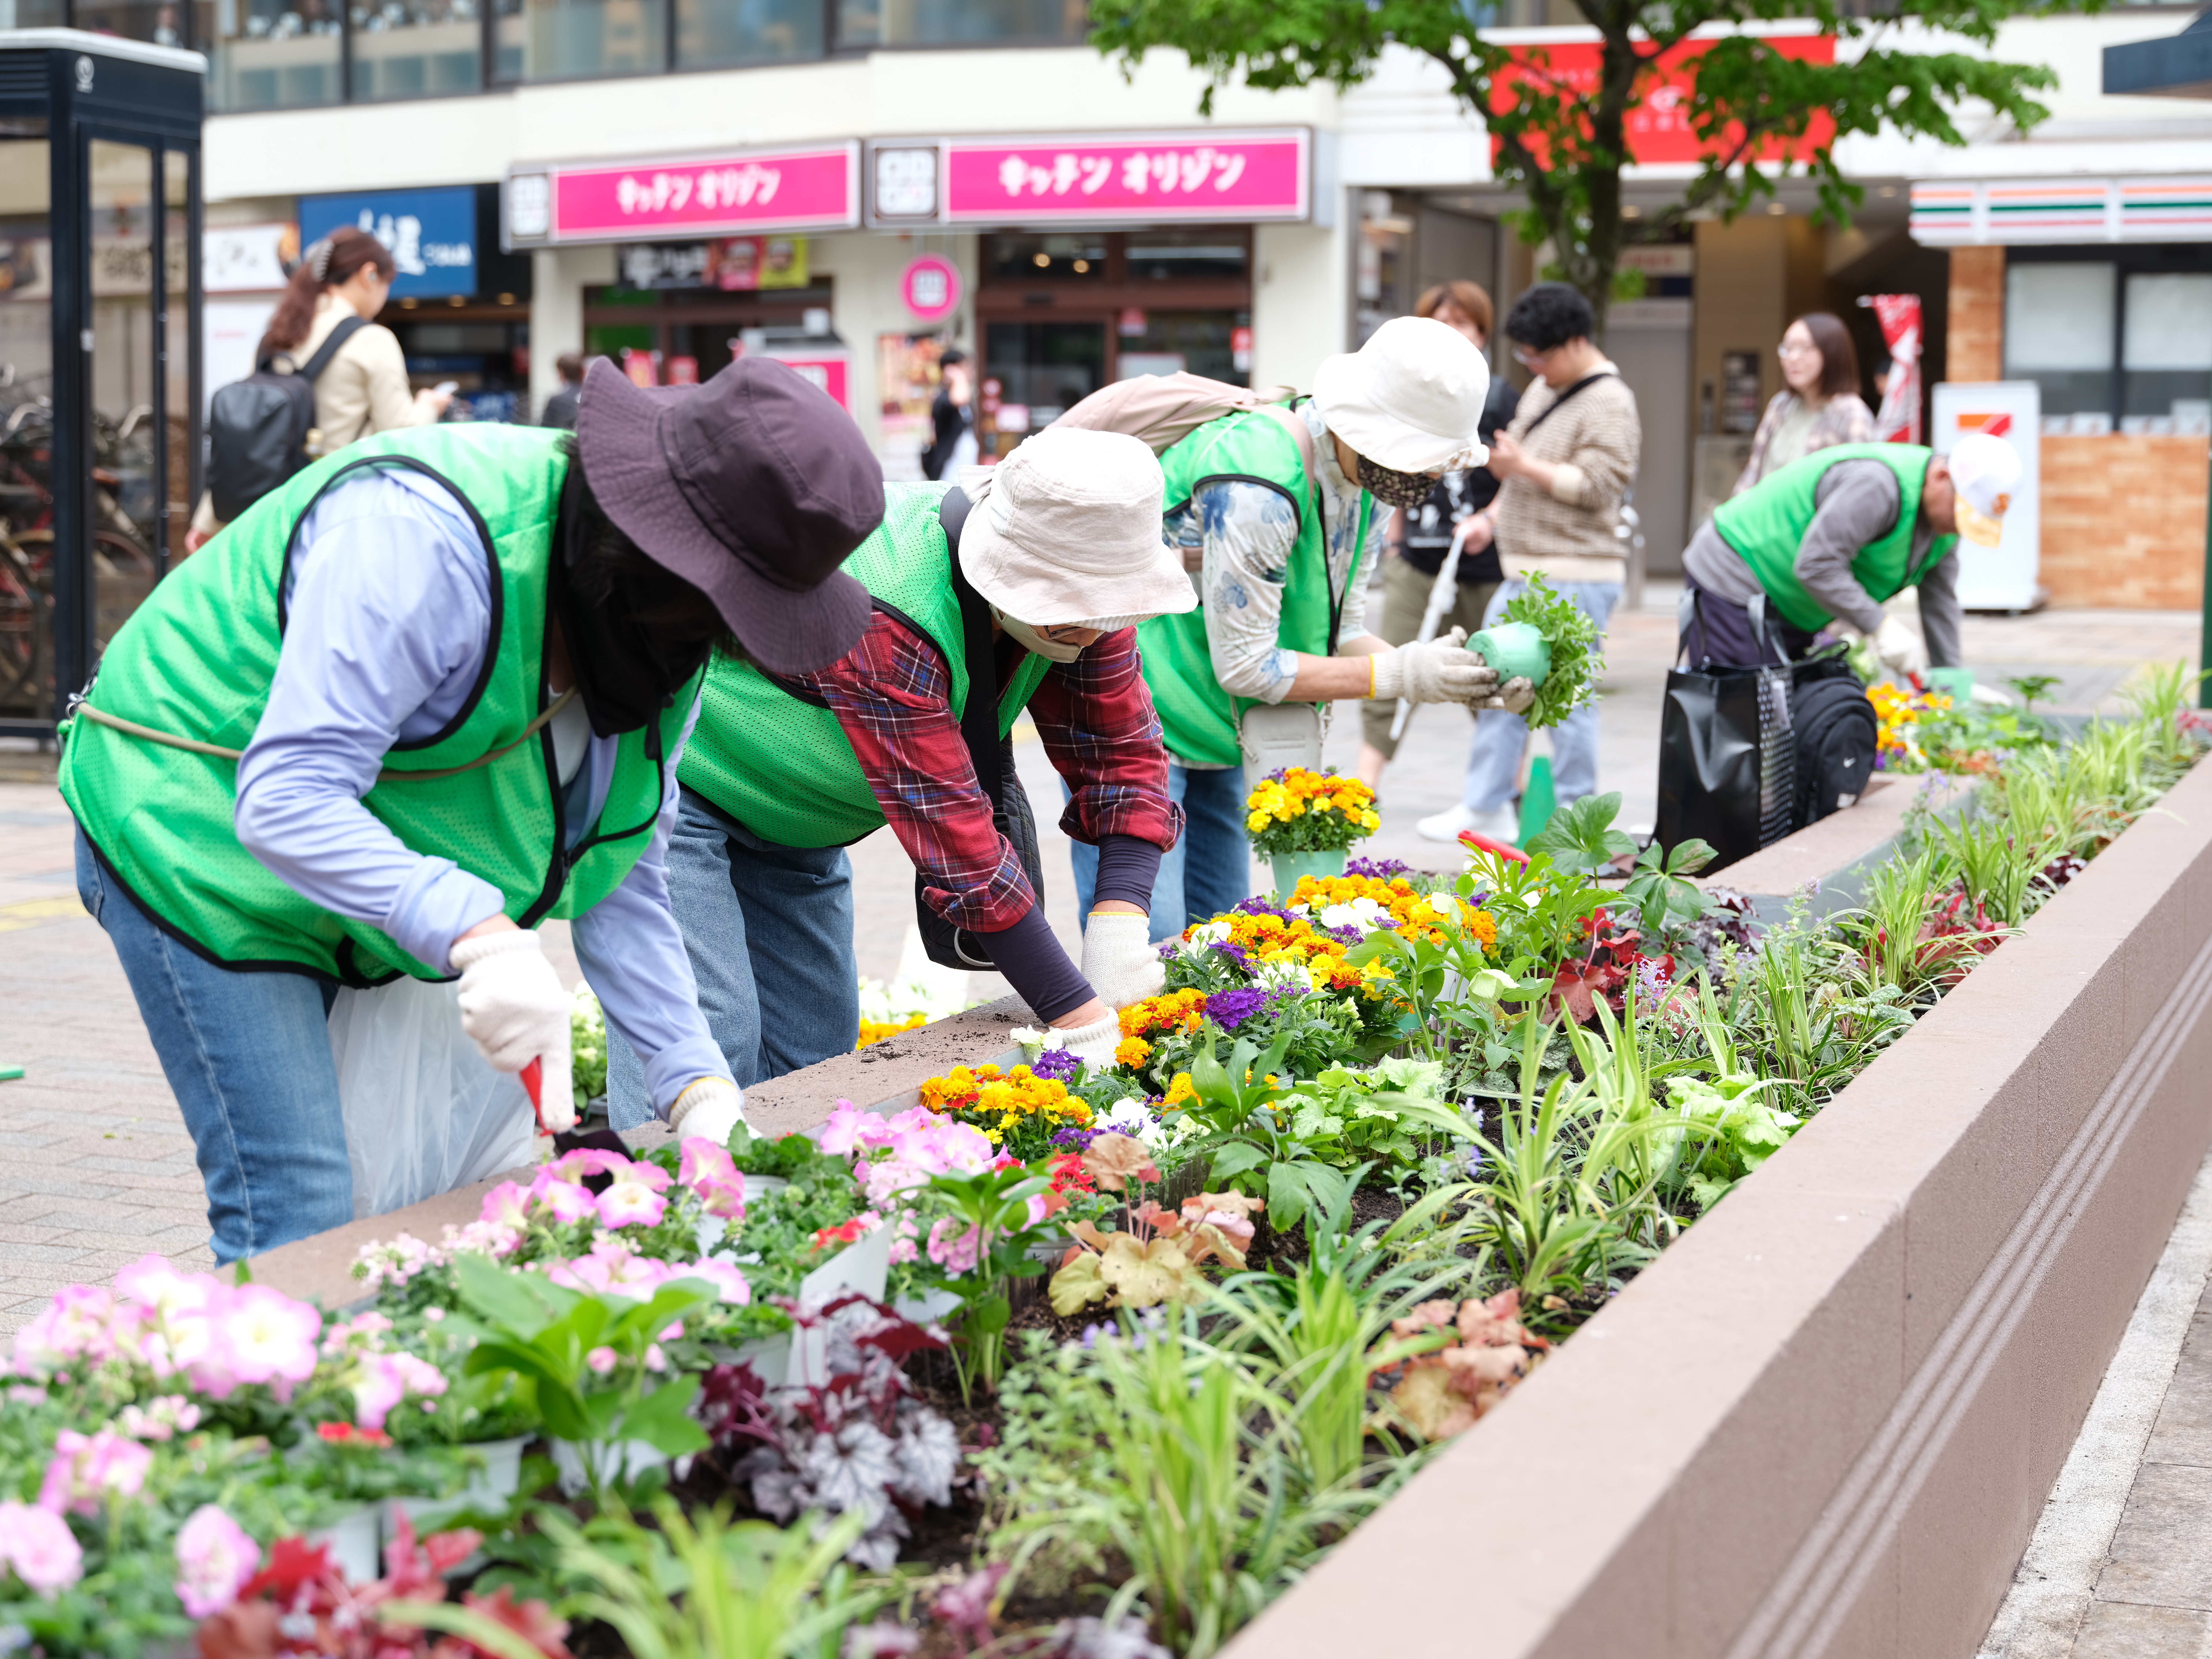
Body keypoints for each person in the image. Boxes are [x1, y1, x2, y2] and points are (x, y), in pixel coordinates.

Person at [60, 357, 884, 1263]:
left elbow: (622, 872)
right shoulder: (421, 544)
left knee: (435, 1199)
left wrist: (696, 1085)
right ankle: (272, 1399)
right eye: (732, 607)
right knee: (300, 1210)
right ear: (661, 553)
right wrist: (480, 935)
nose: (728, 635)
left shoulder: (656, 640)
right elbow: (286, 799)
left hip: (353, 842)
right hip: (190, 828)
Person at [606, 426, 1194, 1100]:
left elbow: (1122, 760)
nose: (1088, 628)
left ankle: (773, 1203)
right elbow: (960, 848)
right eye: (1067, 610)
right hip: (681, 784)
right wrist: (1080, 1020)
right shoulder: (889, 599)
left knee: (816, 1054)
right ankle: (660, 1200)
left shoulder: (1095, 592)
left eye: (1102, 610)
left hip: (801, 823)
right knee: (707, 1042)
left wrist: (1118, 932)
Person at [1079, 315, 1533, 938]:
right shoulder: (1259, 481)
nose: (1431, 479)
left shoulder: (1364, 478)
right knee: (1144, 952)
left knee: (1223, 951)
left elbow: (1341, 629)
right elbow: (1246, 664)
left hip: (1219, 727)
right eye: (1423, 459)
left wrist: (1453, 676)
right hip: (1137, 722)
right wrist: (1401, 674)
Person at [1418, 282, 1642, 844]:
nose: (1531, 365)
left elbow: (1600, 486)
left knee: (1565, 699)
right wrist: (1489, 520)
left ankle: (1577, 819)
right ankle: (1487, 803)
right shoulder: (1547, 386)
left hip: (1577, 571)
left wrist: (1526, 467)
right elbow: (1516, 469)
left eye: (1538, 354)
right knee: (1496, 679)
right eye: (1525, 356)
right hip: (1528, 568)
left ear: (1574, 343)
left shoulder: (1611, 401)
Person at [185, 227, 451, 553]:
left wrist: (207, 520)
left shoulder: (279, 335)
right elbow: (400, 436)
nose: (384, 297)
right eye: (386, 284)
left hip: (268, 518)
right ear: (369, 274)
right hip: (333, 520)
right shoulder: (372, 339)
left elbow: (245, 432)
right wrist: (429, 405)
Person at [1356, 280, 1521, 789]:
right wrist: (1391, 538)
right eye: (1441, 322)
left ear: (1482, 332)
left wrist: (1489, 520)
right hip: (1417, 560)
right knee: (1388, 671)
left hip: (1483, 566)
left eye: (1462, 323)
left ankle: (1509, 792)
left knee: (1496, 679)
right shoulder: (1407, 393)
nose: (1452, 332)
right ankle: (1363, 792)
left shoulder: (1498, 397)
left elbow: (1520, 475)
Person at [1678, 432, 2022, 674]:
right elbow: (1817, 566)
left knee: (1784, 724)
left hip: (1790, 604)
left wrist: (1950, 682)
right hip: (1736, 573)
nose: (1961, 527)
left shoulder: (1944, 526)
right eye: (1962, 514)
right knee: (1739, 721)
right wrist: (1880, 625)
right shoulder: (1879, 486)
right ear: (1941, 476)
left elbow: (1940, 602)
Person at [1731, 313, 1878, 496]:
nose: (1792, 358)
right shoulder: (1781, 405)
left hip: (1816, 524)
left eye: (1804, 348)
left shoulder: (1851, 414)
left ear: (1833, 353)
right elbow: (1753, 474)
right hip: (1764, 522)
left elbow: (1859, 492)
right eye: (1787, 348)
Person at [921, 348, 977, 481]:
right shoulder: (943, 399)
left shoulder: (961, 400)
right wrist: (957, 376)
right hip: (950, 470)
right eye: (967, 366)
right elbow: (960, 399)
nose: (971, 371)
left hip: (964, 465)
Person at [539, 352, 585, 430]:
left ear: (561, 373)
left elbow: (545, 431)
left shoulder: (557, 401)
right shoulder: (593, 397)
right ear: (583, 372)